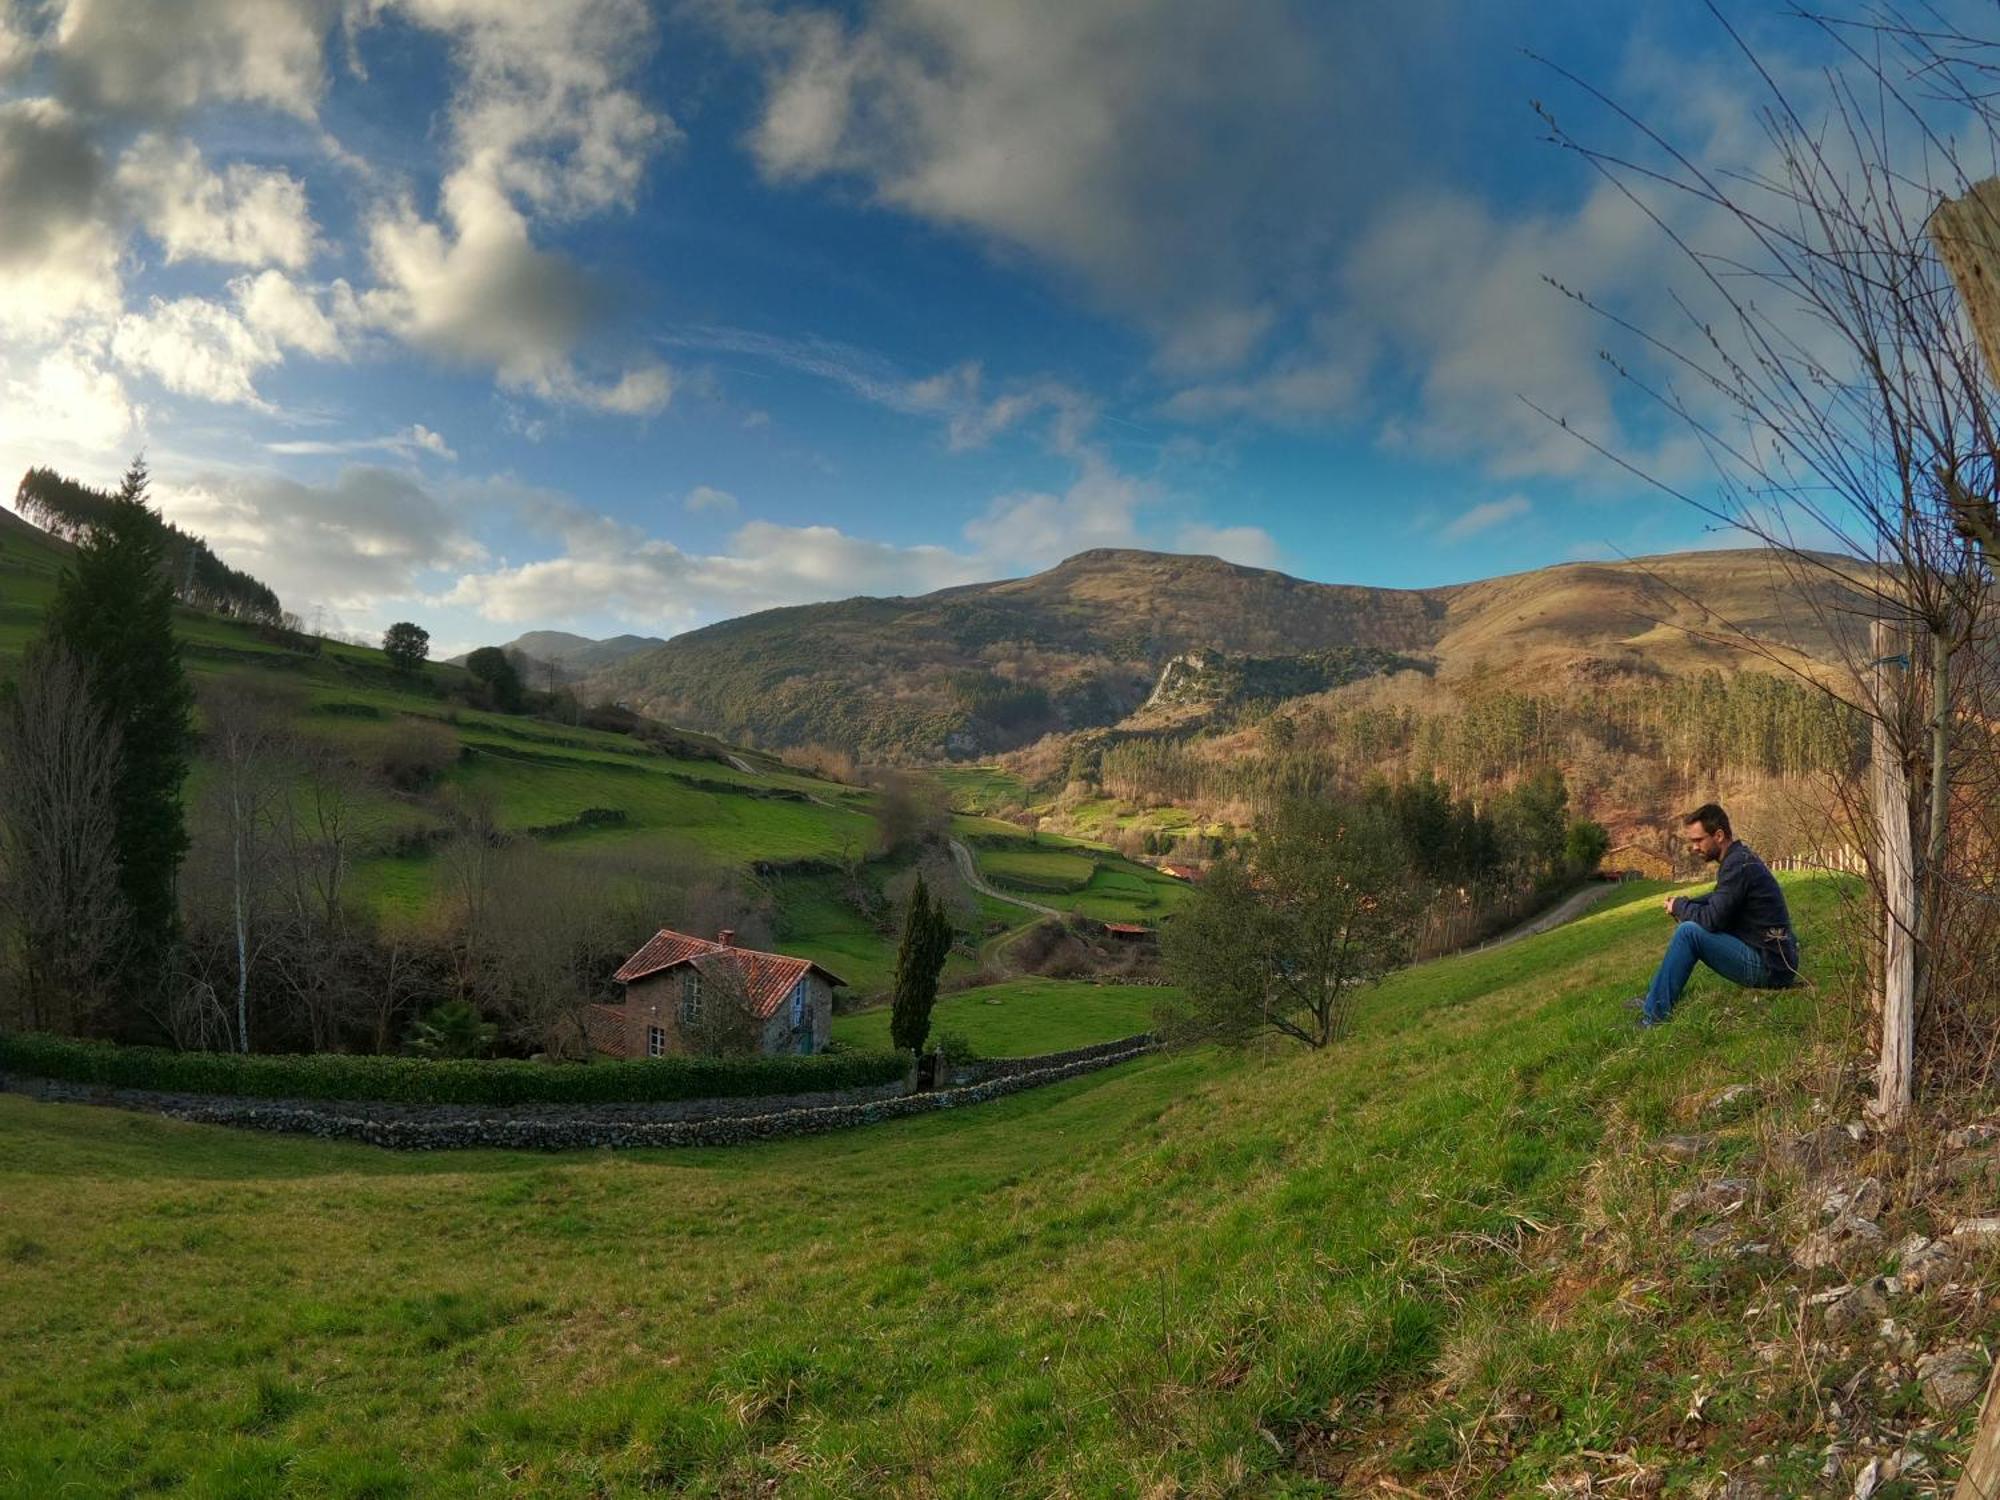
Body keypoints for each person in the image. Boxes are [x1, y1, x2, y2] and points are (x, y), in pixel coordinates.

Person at [1628, 803, 1799, 1027]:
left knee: (1688, 933)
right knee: (1690, 928)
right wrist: (1684, 903)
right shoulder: (1739, 858)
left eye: (1698, 840)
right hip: (1777, 959)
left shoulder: (1737, 865)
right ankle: (1654, 999)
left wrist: (1681, 909)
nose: (1694, 848)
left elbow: (1711, 919)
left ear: (1718, 835)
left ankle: (1653, 1017)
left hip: (1771, 968)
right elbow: (1719, 896)